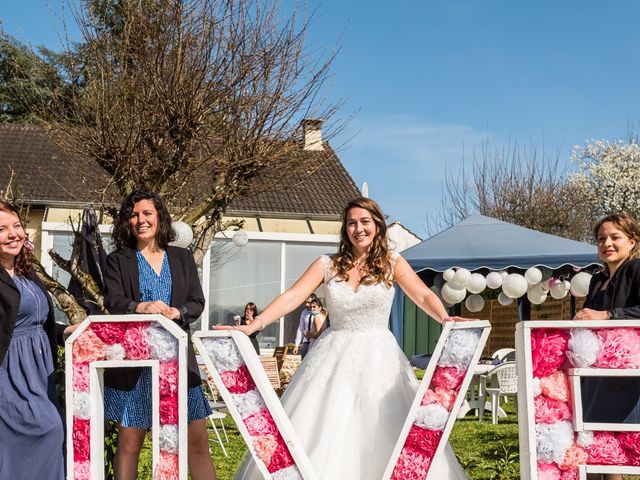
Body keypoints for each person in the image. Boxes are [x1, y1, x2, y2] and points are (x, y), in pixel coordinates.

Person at [228, 197, 471, 480]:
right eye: (352, 223)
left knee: (386, 430)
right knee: (325, 429)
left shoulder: (392, 263)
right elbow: (293, 296)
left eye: (365, 222)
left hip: (379, 358)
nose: (359, 229)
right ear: (345, 230)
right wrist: (255, 324)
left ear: (378, 226)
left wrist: (445, 317)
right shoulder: (327, 264)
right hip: (332, 357)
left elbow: (423, 294)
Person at [103, 190, 217, 480]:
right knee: (130, 444)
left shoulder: (182, 257)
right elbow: (113, 301)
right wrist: (140, 306)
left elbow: (197, 302)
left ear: (159, 217)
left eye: (147, 213)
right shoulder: (118, 259)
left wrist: (177, 312)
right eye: (133, 214)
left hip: (179, 363)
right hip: (136, 365)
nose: (140, 220)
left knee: (197, 443)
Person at [0, 201, 68, 479]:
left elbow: (39, 319)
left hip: (40, 371)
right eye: (2, 229)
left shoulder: (27, 272)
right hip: (9, 371)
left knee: (54, 430)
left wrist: (65, 332)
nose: (13, 233)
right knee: (46, 429)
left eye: (17, 226)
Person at [574, 212, 640, 480]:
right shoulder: (596, 280)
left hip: (624, 375)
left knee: (614, 450)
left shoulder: (637, 269)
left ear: (633, 241)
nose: (607, 243)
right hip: (594, 375)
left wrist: (607, 315)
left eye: (615, 237)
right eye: (601, 238)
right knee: (593, 445)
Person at [292, 293, 318, 358]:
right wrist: (296, 345)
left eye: (308, 302)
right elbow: (300, 329)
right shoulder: (304, 312)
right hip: (306, 343)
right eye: (305, 302)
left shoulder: (320, 312)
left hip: (316, 342)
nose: (306, 304)